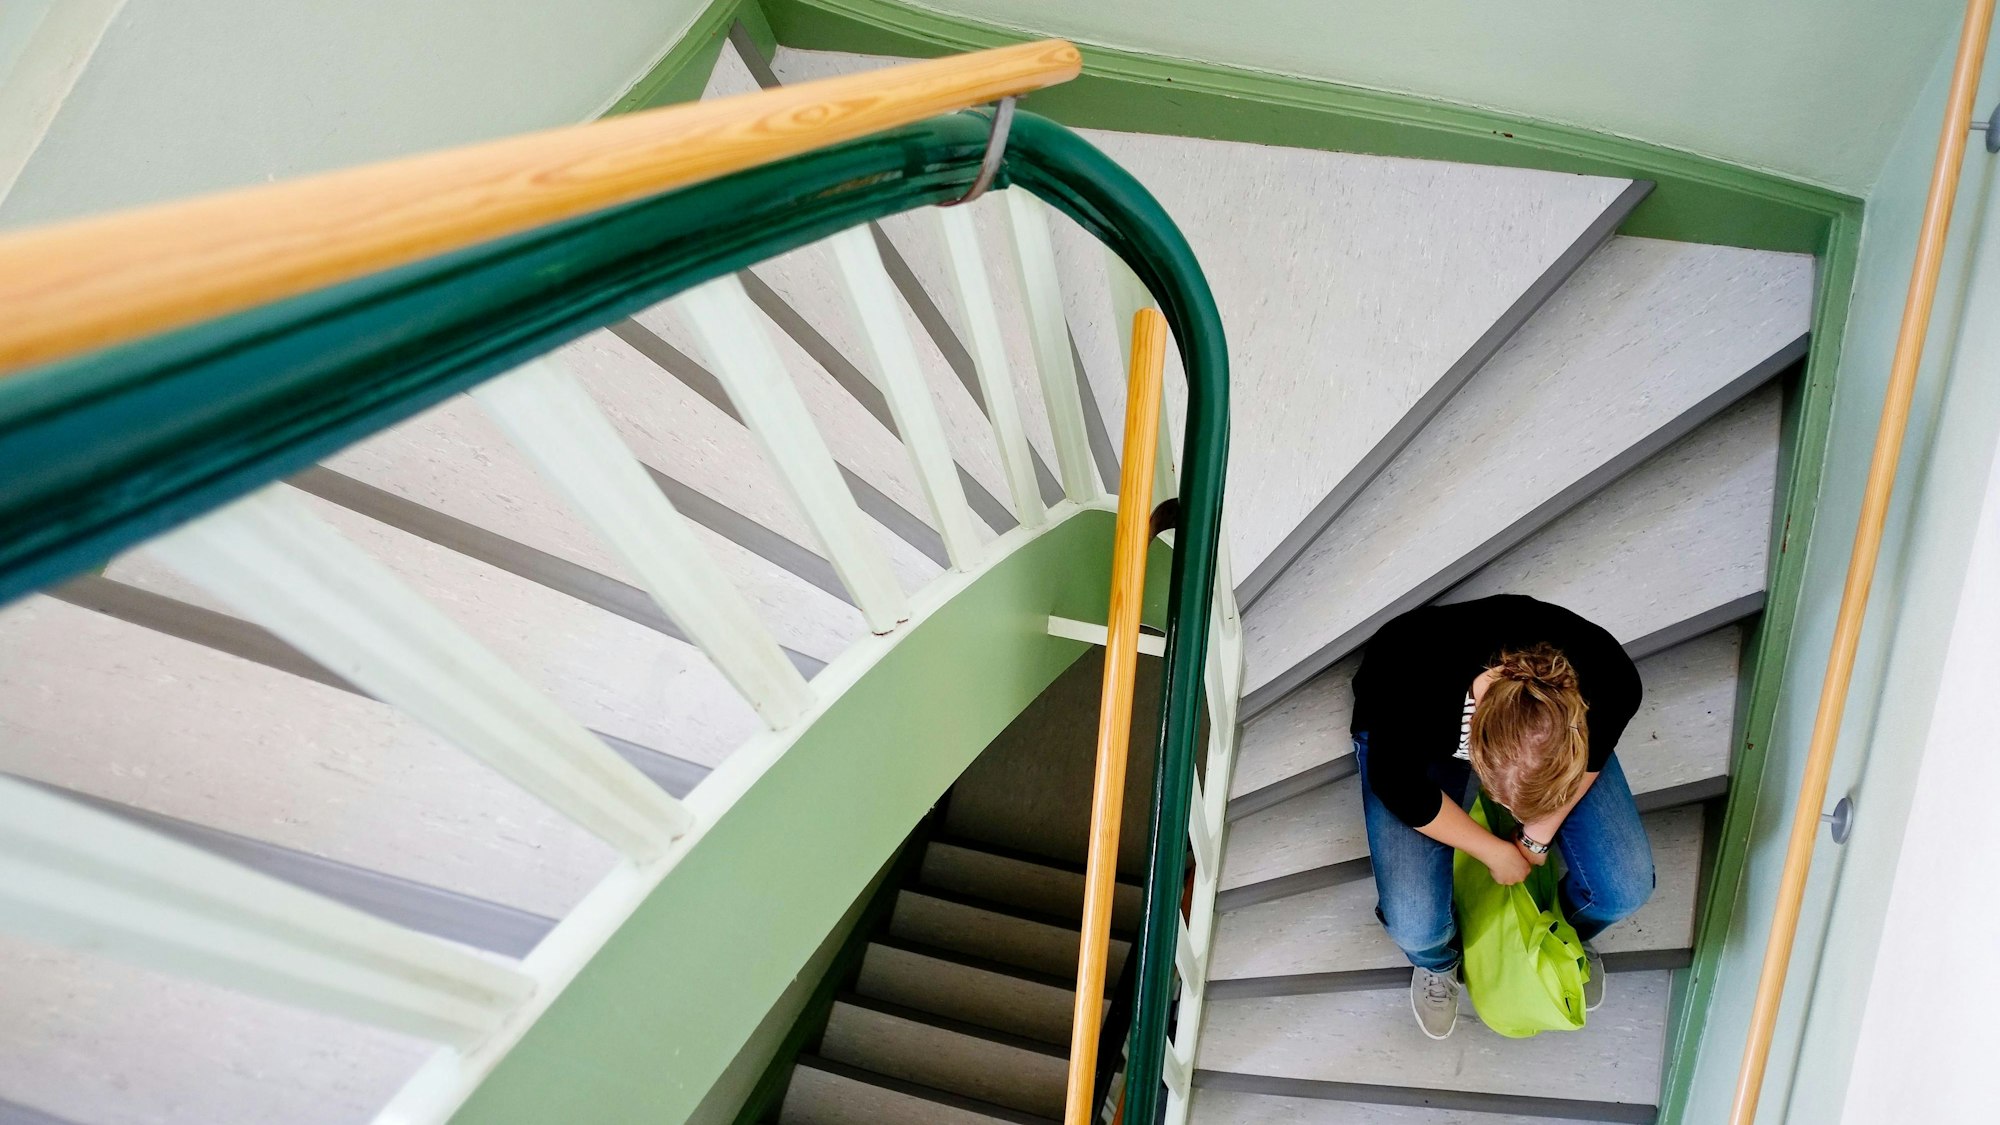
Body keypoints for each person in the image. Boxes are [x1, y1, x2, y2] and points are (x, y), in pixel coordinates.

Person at [1348, 594, 1653, 1039]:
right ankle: (1439, 961)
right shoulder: (1411, 681)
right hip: (1417, 732)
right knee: (1415, 922)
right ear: (1476, 756)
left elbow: (1596, 752)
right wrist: (1495, 852)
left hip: (1542, 733)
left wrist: (1539, 832)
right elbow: (1400, 788)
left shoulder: (1611, 679)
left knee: (1626, 889)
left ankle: (1558, 933)